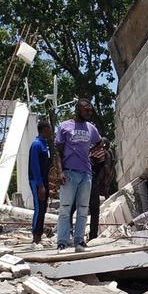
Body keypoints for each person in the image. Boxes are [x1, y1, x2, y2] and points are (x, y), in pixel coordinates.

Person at [54, 99, 101, 253]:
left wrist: (92, 151)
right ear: (78, 110)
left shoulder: (91, 128)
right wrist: (59, 172)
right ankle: (62, 242)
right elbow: (58, 152)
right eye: (86, 110)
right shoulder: (64, 126)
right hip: (69, 173)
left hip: (86, 173)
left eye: (90, 110)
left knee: (83, 209)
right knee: (65, 208)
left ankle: (79, 242)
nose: (89, 112)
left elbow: (100, 143)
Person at [28, 120, 52, 244]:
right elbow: (35, 166)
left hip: (44, 180)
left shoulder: (45, 145)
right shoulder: (36, 145)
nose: (52, 131)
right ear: (44, 129)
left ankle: (39, 235)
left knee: (43, 208)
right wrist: (40, 185)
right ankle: (36, 237)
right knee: (39, 207)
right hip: (37, 181)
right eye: (50, 128)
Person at [88, 137, 115, 241]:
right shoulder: (104, 153)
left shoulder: (98, 152)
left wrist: (104, 181)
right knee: (95, 208)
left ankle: (92, 236)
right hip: (96, 179)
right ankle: (93, 236)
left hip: (95, 179)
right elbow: (107, 168)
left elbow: (108, 168)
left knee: (93, 207)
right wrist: (105, 181)